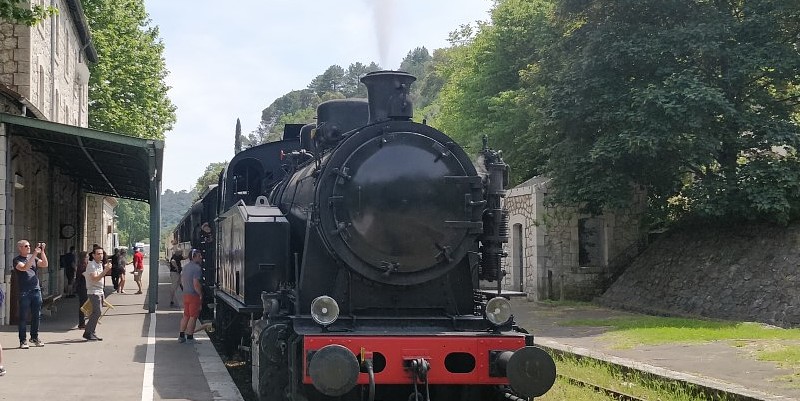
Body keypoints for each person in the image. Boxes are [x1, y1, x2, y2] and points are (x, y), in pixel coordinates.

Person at [14, 239, 49, 349]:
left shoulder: (33, 257)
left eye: (29, 245)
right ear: (20, 248)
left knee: (36, 316)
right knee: (23, 317)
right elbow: (24, 268)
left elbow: (44, 264)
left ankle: (34, 337)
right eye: (26, 246)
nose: (28, 247)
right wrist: (34, 253)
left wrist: (42, 251)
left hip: (36, 290)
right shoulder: (17, 260)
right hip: (25, 291)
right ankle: (23, 340)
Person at [178, 249, 210, 343]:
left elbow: (181, 281)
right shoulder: (197, 268)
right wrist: (200, 294)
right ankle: (190, 337)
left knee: (186, 315)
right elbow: (196, 283)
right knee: (193, 316)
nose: (201, 257)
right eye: (199, 256)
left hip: (186, 294)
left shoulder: (185, 267)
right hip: (193, 295)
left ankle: (181, 336)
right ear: (194, 256)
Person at [83, 246, 111, 341]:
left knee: (97, 312)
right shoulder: (91, 265)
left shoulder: (99, 264)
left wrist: (105, 270)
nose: (101, 255)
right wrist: (106, 270)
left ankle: (92, 332)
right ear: (93, 255)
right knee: (97, 312)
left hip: (100, 291)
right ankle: (88, 332)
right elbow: (94, 279)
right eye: (98, 254)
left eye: (102, 253)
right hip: (94, 292)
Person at [75, 250, 89, 329]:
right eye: (86, 257)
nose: (88, 258)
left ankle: (82, 322)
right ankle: (81, 323)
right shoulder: (82, 266)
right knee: (83, 305)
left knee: (84, 305)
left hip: (83, 286)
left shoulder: (83, 265)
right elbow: (86, 275)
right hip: (82, 287)